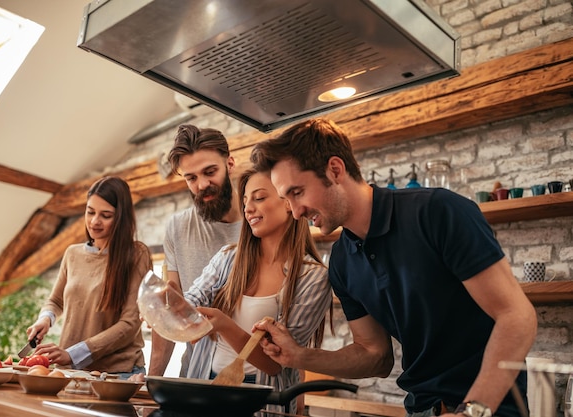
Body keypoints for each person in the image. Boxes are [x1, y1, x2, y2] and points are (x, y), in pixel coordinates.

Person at [250, 118, 537, 417]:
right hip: (421, 409)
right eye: (286, 199)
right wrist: (299, 356)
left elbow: (517, 315)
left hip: (489, 408)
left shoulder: (437, 212)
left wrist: (472, 411)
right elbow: (374, 355)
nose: (295, 212)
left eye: (297, 192)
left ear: (335, 170)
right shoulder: (342, 261)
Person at [183, 167, 332, 414]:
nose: (248, 208)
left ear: (288, 202)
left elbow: (276, 364)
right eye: (245, 201)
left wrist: (224, 325)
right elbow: (192, 299)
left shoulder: (313, 277)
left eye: (259, 198)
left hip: (261, 401)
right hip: (205, 386)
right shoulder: (227, 258)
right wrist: (172, 305)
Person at [26, 176, 152, 379]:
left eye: (106, 215)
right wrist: (45, 319)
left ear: (121, 218)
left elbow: (129, 324)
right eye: (90, 212)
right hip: (71, 372)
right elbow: (55, 301)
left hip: (117, 374)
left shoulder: (137, 255)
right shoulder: (72, 253)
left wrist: (72, 354)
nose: (95, 221)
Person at [148, 124, 242, 377]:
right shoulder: (177, 227)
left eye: (210, 172)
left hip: (252, 374)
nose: (202, 184)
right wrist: (151, 383)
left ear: (230, 164)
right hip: (196, 373)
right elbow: (171, 310)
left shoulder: (262, 221)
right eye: (191, 178)